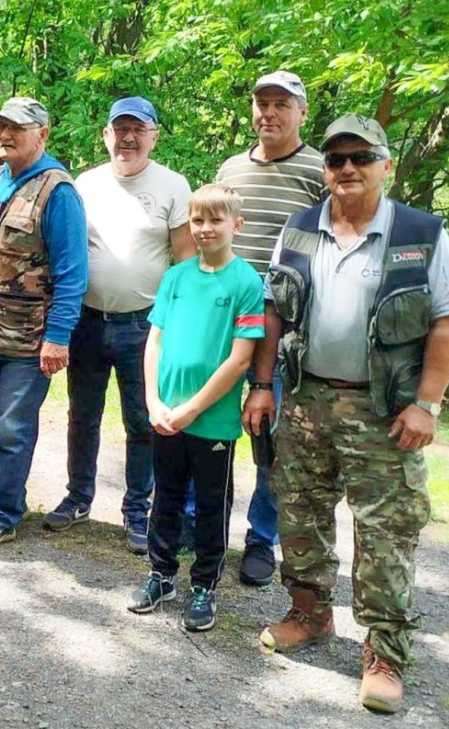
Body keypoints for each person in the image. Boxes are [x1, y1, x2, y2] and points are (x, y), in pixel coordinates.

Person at [254, 114, 449, 713]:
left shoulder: (422, 232)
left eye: (361, 158)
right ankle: (309, 612)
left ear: (385, 164)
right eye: (336, 159)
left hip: (385, 409)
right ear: (324, 168)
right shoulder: (299, 228)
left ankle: (384, 655)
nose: (347, 169)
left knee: (386, 531)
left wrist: (427, 404)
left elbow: (447, 322)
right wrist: (263, 385)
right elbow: (275, 312)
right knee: (299, 511)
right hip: (307, 398)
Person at [45, 96, 194, 554]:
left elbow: (185, 260)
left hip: (144, 326)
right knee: (82, 415)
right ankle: (78, 497)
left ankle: (136, 510)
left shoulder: (173, 186)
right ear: (106, 135)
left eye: (138, 129)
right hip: (87, 322)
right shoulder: (82, 185)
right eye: (119, 129)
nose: (127, 138)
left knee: (141, 421)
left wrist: (177, 325)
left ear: (154, 135)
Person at [0, 97, 87, 550]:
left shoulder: (57, 191)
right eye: (1, 125)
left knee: (12, 424)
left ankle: (1, 516)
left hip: (29, 338)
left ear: (42, 134)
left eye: (17, 128)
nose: (5, 134)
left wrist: (59, 337)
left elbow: (73, 272)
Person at [124, 184, 264, 632]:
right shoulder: (176, 277)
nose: (205, 229)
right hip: (165, 416)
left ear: (236, 226)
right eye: (197, 220)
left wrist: (192, 409)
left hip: (212, 422)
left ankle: (204, 586)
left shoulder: (246, 282)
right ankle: (161, 575)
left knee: (209, 506)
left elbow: (240, 358)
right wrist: (153, 399)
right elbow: (155, 340)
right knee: (163, 497)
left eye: (215, 220)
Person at [215, 70, 325, 586]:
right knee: (212, 429)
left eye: (282, 104)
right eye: (262, 103)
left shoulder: (319, 170)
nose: (269, 113)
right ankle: (203, 526)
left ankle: (261, 539)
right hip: (225, 323)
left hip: (284, 331)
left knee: (270, 441)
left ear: (302, 111)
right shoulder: (231, 169)